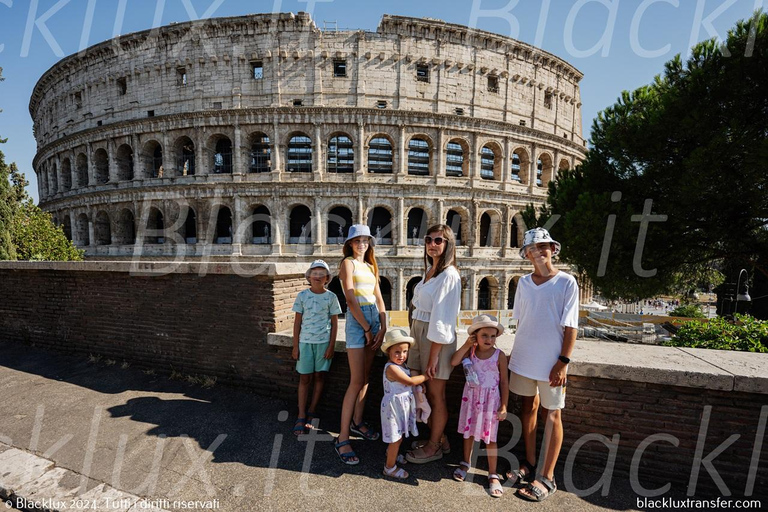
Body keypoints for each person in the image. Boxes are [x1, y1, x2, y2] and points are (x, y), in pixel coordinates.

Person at [507, 228, 579, 502]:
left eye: (542, 246)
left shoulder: (567, 282)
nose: (537, 252)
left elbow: (571, 326)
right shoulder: (523, 283)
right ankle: (529, 461)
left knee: (552, 414)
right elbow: (522, 323)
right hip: (524, 357)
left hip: (552, 361)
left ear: (552, 248)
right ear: (526, 254)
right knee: (528, 408)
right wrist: (513, 357)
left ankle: (547, 477)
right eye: (532, 248)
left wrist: (563, 362)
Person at [405, 224, 461, 464]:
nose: (432, 244)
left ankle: (434, 446)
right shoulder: (431, 271)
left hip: (435, 340)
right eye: (429, 239)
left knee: (436, 395)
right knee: (422, 391)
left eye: (439, 240)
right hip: (419, 333)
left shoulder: (449, 275)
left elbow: (442, 318)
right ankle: (440, 438)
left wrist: (434, 356)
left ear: (448, 244)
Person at [334, 224, 387, 464]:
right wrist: (366, 327)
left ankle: (357, 422)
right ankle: (342, 438)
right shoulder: (348, 263)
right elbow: (350, 297)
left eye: (365, 240)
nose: (361, 244)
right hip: (358, 322)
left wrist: (382, 325)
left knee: (365, 378)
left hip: (373, 319)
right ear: (350, 243)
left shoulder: (370, 265)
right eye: (357, 240)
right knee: (356, 380)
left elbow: (379, 298)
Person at [450, 314, 509, 497]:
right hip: (472, 398)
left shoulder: (500, 356)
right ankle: (466, 462)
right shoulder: (471, 351)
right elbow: (453, 361)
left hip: (491, 401)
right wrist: (467, 344)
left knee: (490, 438)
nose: (489, 340)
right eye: (484, 335)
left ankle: (493, 474)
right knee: (468, 433)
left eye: (492, 336)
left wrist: (504, 405)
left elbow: (505, 382)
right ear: (475, 335)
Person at [291, 260, 342, 436]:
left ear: (327, 278)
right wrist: (295, 346)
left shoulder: (331, 297)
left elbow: (335, 325)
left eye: (322, 274)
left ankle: (312, 410)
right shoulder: (302, 296)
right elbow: (297, 323)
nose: (318, 277)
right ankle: (301, 414)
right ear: (309, 277)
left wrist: (331, 346)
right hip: (305, 343)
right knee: (304, 378)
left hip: (323, 343)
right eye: (315, 273)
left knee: (320, 376)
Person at [380, 329, 430, 480]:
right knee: (395, 438)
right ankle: (389, 467)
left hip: (400, 407)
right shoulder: (391, 368)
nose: (401, 356)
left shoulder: (402, 366)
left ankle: (392, 455)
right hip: (393, 408)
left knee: (399, 436)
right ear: (388, 352)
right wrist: (425, 377)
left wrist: (418, 385)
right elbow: (409, 381)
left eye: (404, 352)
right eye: (397, 352)